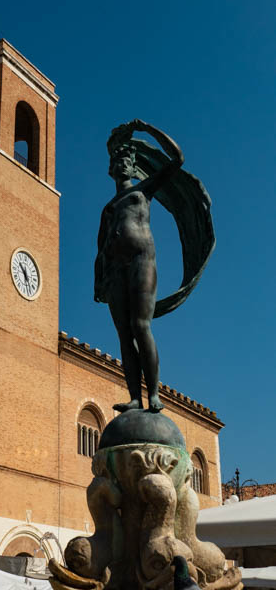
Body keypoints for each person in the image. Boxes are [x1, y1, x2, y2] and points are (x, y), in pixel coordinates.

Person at [95, 119, 184, 413]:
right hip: (114, 271)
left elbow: (177, 159)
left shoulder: (143, 191)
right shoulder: (108, 208)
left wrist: (147, 129)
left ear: (134, 168)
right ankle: (135, 396)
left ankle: (154, 393)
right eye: (117, 161)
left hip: (141, 261)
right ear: (111, 170)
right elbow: (100, 248)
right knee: (124, 333)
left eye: (126, 161)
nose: (122, 164)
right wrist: (99, 280)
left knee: (140, 325)